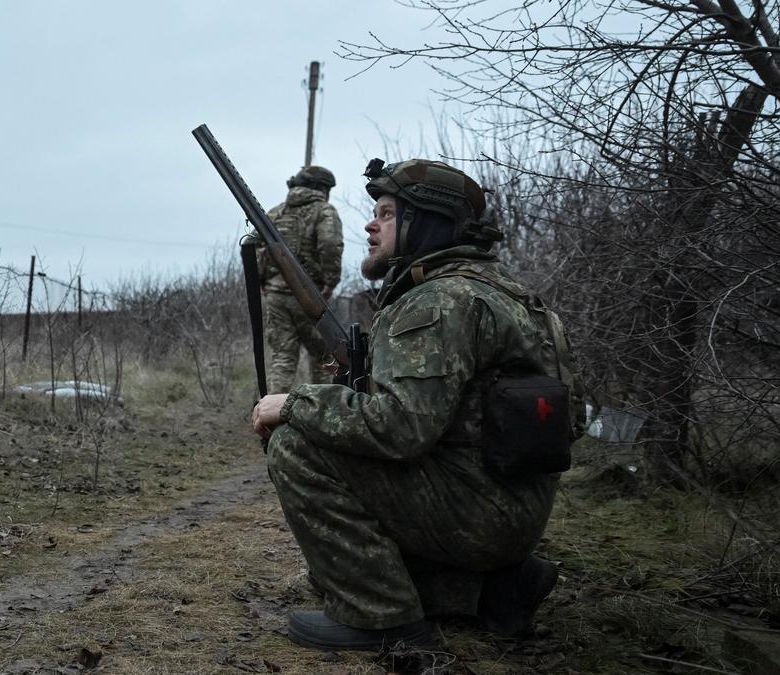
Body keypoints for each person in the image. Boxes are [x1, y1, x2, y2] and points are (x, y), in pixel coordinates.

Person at [250, 158, 584, 653]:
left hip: (478, 514)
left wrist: (295, 403)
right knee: (330, 573)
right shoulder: (504, 292)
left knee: (297, 445)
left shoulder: (436, 302)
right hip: (512, 508)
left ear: (422, 223)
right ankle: (495, 591)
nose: (370, 223)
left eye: (385, 213)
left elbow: (400, 428)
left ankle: (381, 618)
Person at [256, 165, 343, 393]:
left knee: (282, 358)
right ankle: (321, 412)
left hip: (276, 296)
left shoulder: (276, 212)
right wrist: (330, 281)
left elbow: (254, 247)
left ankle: (272, 418)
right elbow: (330, 244)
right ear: (322, 188)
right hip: (309, 295)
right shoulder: (324, 211)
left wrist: (263, 280)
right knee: (324, 356)